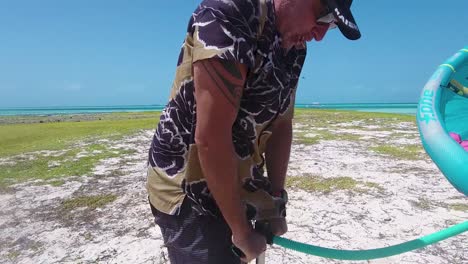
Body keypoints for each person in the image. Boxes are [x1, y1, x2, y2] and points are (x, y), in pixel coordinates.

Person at [146, 0, 361, 263]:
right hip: (188, 188)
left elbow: (282, 125)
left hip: (238, 178)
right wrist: (240, 230)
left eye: (331, 24)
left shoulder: (294, 46)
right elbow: (212, 137)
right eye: (323, 15)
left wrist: (275, 200)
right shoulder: (227, 14)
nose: (320, 34)